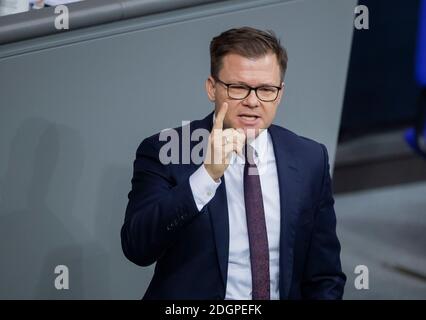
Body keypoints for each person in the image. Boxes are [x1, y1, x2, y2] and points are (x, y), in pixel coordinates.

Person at [121, 27, 346, 300]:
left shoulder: (310, 159)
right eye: (238, 87)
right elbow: (137, 247)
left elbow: (325, 276)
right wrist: (205, 176)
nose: (252, 101)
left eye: (265, 89)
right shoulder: (166, 151)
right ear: (211, 88)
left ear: (280, 93)